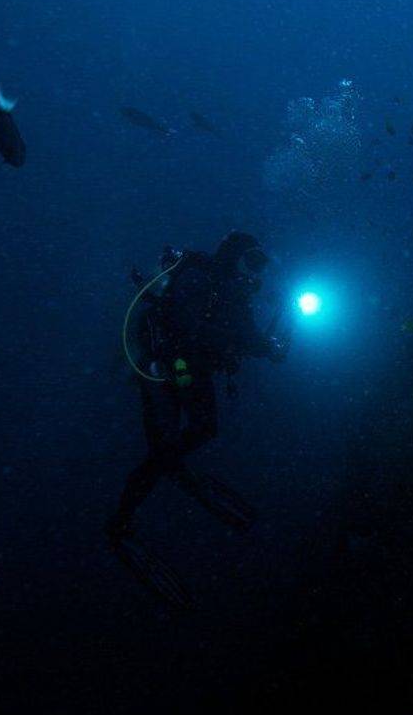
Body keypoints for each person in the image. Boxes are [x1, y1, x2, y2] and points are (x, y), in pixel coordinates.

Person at [107, 232, 289, 605]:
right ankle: (119, 522)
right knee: (161, 448)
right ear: (235, 257)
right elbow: (197, 329)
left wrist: (267, 347)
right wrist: (256, 345)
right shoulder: (200, 278)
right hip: (165, 369)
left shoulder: (232, 291)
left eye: (259, 265)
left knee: (202, 430)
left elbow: (242, 336)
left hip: (192, 369)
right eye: (251, 261)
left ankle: (170, 463)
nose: (254, 272)